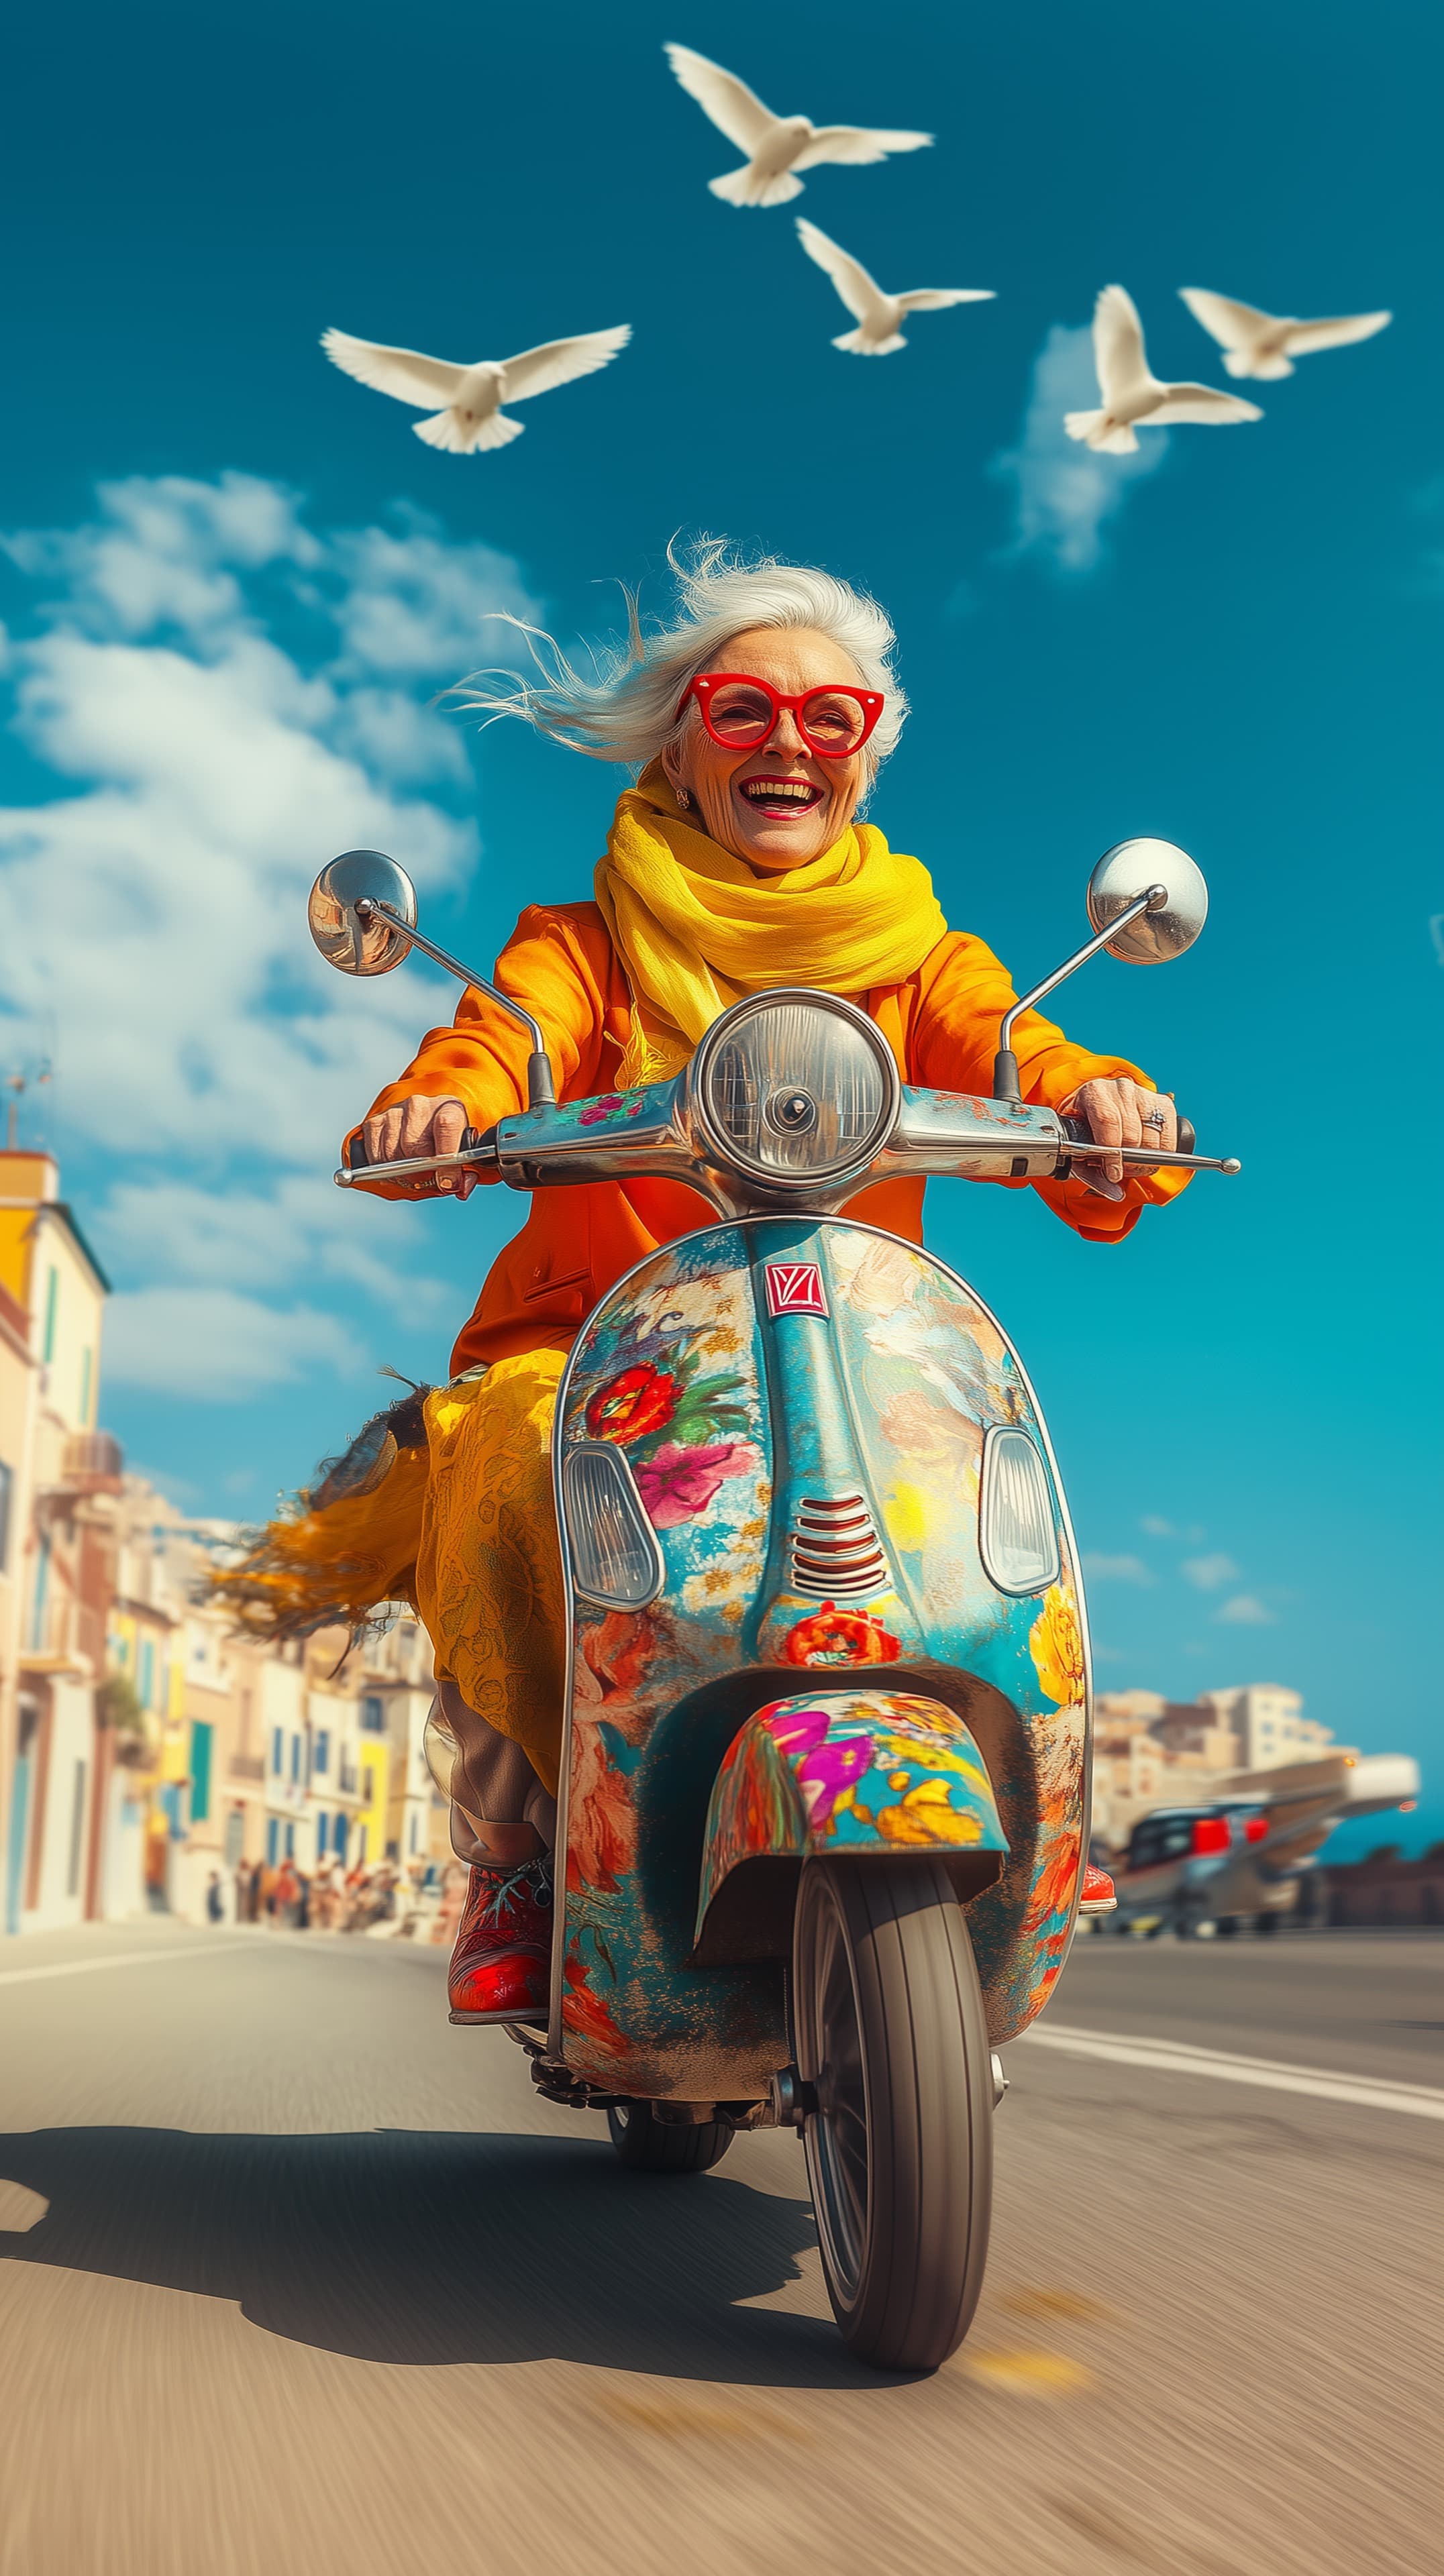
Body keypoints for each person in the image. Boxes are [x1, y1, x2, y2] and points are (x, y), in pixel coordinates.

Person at [219, 542, 1193, 2024]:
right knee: (495, 1451)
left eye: (829, 718)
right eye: (742, 711)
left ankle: (1037, 1781)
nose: (786, 742)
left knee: (985, 1486)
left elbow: (1012, 1052)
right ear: (681, 739)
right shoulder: (586, 941)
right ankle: (514, 1853)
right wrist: (439, 1108)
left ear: (863, 755)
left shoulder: (924, 958)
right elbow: (505, 1041)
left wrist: (1098, 1104)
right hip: (605, 1345)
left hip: (848, 1340)